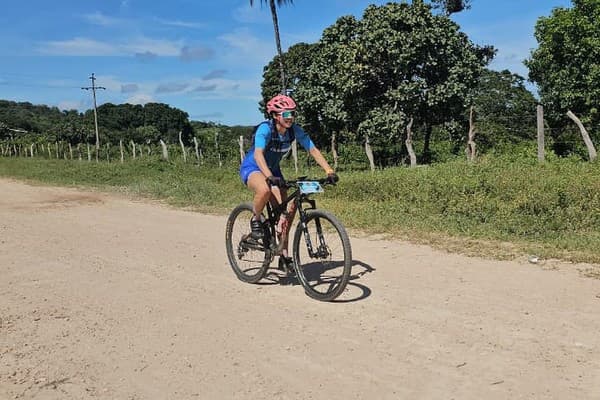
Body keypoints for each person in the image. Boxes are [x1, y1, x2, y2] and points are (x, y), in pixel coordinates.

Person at [239, 94, 338, 261]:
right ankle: (256, 219)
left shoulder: (294, 130)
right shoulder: (265, 129)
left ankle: (283, 255)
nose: (290, 117)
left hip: (274, 171)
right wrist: (269, 176)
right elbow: (258, 155)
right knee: (264, 190)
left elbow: (312, 149)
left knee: (283, 216)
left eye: (293, 113)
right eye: (286, 114)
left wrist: (329, 171)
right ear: (275, 115)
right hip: (254, 167)